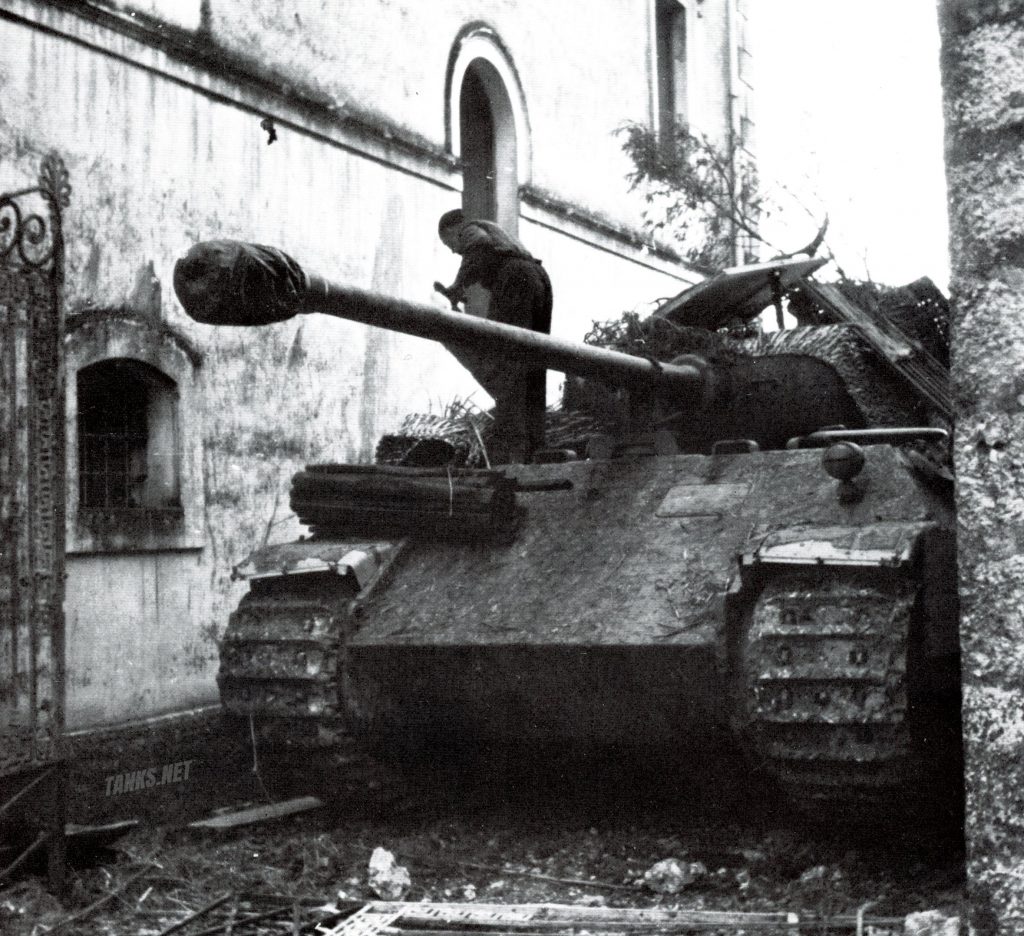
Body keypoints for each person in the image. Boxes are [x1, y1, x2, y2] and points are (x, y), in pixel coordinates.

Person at [433, 209, 553, 464]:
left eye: (448, 243)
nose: (454, 250)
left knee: (505, 356)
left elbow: (477, 248)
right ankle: (536, 443)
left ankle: (513, 443)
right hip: (539, 279)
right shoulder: (496, 233)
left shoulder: (471, 228)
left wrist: (455, 288)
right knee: (535, 360)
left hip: (516, 279)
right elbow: (482, 255)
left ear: (454, 229)